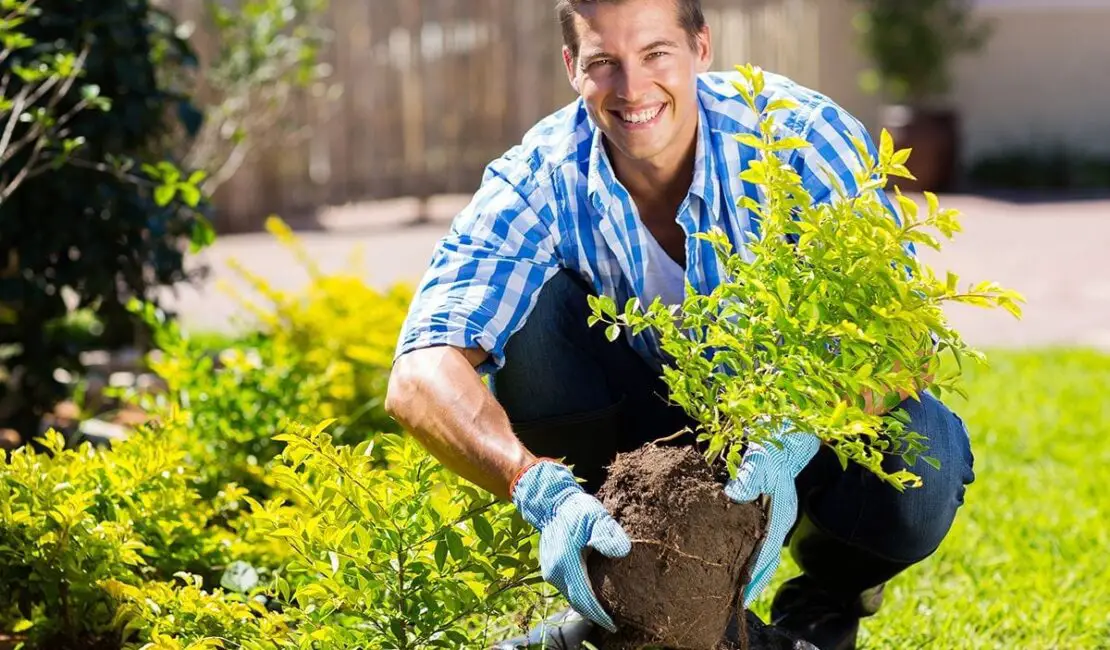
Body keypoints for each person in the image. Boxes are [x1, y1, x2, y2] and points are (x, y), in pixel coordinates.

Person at [384, 0, 976, 648]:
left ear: (701, 47)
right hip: (634, 451)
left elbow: (902, 332)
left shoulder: (796, 135)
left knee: (925, 455)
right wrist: (535, 485)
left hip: (789, 431)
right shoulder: (538, 178)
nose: (632, 89)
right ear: (570, 67)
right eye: (603, 62)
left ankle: (827, 595)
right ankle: (632, 587)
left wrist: (795, 438)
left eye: (655, 54)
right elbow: (419, 373)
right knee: (533, 310)